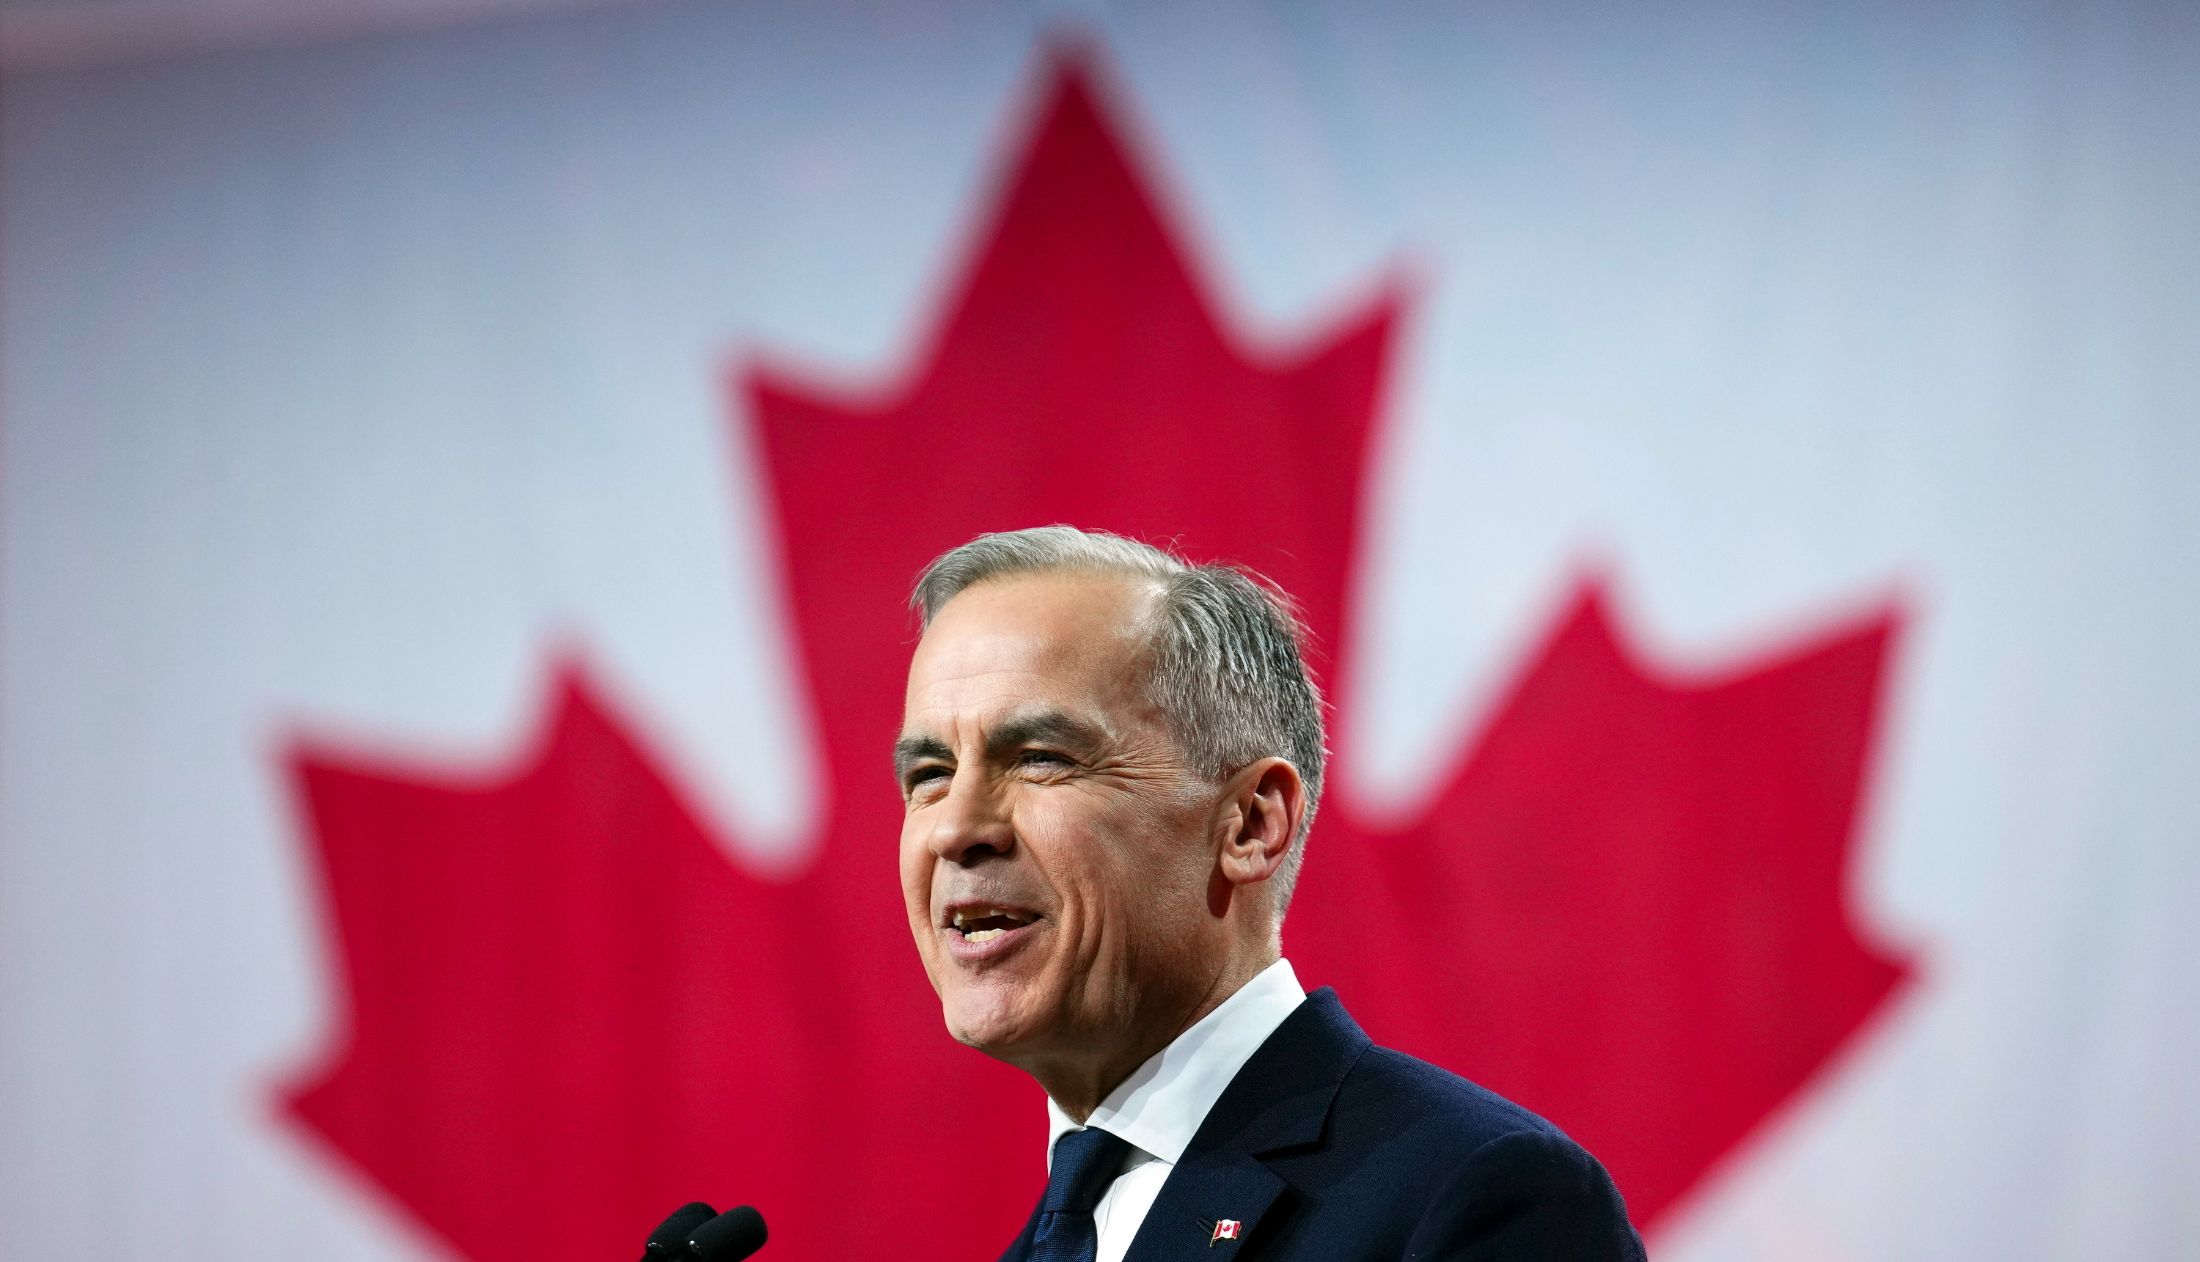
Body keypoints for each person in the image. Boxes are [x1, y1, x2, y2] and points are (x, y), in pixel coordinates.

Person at [895, 526, 1646, 1262]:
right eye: (930, 775)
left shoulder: (1479, 1195)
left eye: (1040, 758)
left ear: (1251, 825)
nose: (955, 828)